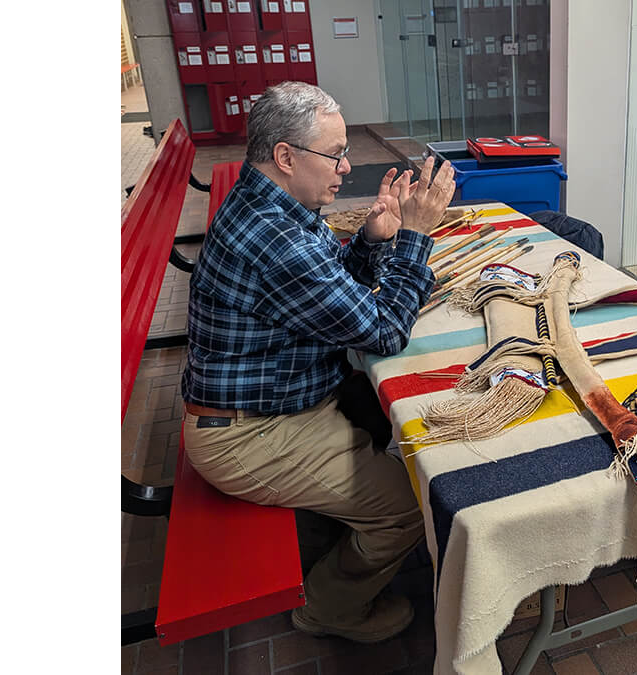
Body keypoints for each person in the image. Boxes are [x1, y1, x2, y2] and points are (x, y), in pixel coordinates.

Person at [179, 81, 456, 643]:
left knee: (392, 416)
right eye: (334, 154)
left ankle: (354, 522)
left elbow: (325, 288)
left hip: (272, 402)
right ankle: (329, 608)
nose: (346, 166)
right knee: (408, 508)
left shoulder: (275, 203)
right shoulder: (275, 236)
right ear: (285, 156)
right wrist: (416, 239)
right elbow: (384, 331)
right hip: (246, 434)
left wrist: (373, 240)